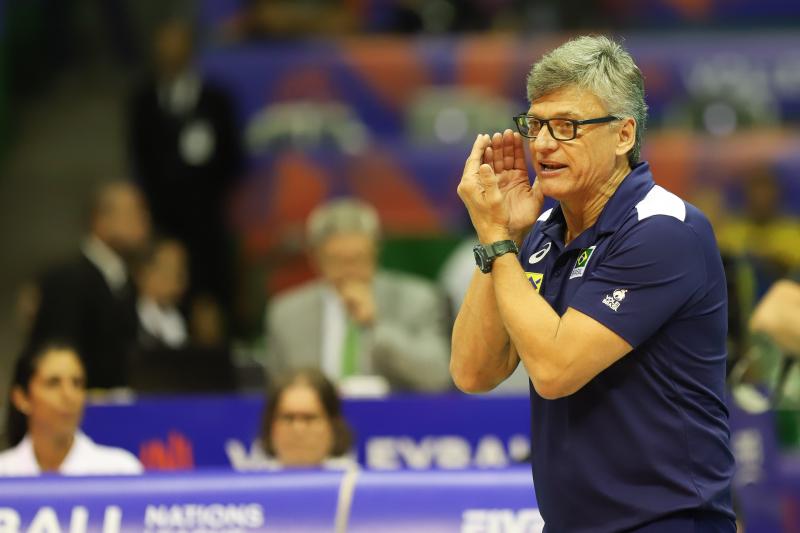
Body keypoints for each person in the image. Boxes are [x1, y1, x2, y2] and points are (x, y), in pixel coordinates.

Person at [451, 36, 735, 532]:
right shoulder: (540, 234)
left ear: (624, 135)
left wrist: (498, 240)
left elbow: (555, 369)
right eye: (535, 124)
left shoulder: (665, 229)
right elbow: (474, 372)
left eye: (566, 127)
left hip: (666, 522)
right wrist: (507, 235)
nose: (540, 144)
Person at [265, 198, 451, 392]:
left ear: (376, 252)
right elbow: (278, 393)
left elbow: (437, 376)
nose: (349, 270)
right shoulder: (286, 313)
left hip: (395, 416)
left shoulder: (418, 299)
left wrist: (377, 325)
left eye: (358, 258)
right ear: (315, 258)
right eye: (337, 260)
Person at [129, 19, 242, 337]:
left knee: (210, 311)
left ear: (190, 50)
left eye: (176, 45)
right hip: (163, 223)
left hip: (208, 226)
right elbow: (138, 160)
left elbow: (233, 160)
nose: (169, 53)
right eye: (162, 46)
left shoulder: (216, 100)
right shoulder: (143, 101)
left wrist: (202, 193)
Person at [28, 181, 150, 389]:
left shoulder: (126, 281)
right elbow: (55, 356)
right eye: (133, 212)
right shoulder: (67, 279)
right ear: (100, 220)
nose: (143, 220)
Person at [0, 342, 143, 475]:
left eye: (77, 383)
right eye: (53, 383)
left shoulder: (119, 470)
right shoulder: (4, 472)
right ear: (21, 398)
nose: (69, 395)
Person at [257, 368, 355, 469]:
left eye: (309, 418)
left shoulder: (355, 480)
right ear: (270, 425)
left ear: (333, 425)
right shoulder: (253, 482)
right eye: (288, 418)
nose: (298, 428)